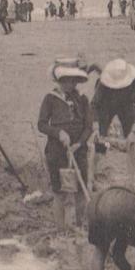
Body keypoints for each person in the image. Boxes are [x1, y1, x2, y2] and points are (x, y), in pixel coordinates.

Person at [37, 62, 93, 232]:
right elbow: (41, 125)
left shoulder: (82, 99)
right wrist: (58, 133)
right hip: (57, 152)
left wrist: (79, 143)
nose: (71, 84)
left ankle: (79, 226)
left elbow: (88, 127)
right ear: (60, 81)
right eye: (67, 81)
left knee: (81, 191)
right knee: (59, 192)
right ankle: (60, 229)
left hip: (79, 151)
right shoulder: (50, 98)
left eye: (73, 81)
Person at [92, 59, 135, 187]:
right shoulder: (103, 83)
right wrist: (96, 127)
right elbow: (94, 105)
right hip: (106, 105)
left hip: (126, 106)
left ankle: (131, 180)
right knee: (100, 140)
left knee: (131, 142)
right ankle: (93, 176)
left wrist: (134, 131)